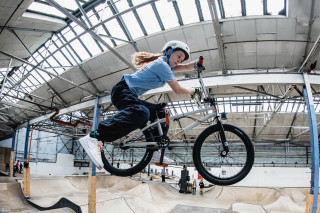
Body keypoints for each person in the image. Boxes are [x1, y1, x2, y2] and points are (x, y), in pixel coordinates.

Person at [79, 40, 205, 169]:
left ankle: (154, 150)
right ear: (169, 51)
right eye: (178, 56)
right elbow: (177, 89)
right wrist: (193, 91)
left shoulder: (165, 63)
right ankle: (95, 136)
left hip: (130, 94)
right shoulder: (162, 65)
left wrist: (195, 65)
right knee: (141, 112)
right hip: (122, 91)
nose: (179, 61)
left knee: (161, 112)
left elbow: (184, 67)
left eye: (182, 59)